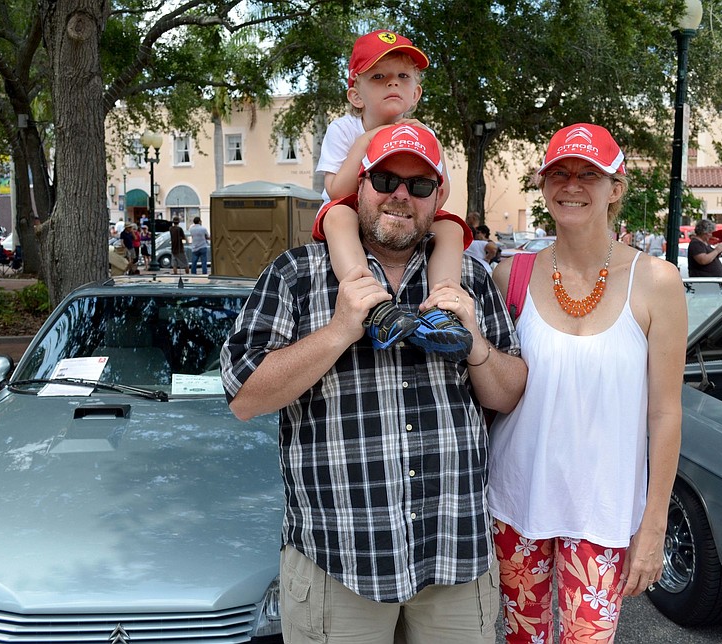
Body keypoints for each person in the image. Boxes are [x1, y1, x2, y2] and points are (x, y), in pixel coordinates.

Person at [221, 124, 527, 644]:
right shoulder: (296, 275)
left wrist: (474, 342)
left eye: (419, 185)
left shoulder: (469, 281)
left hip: (454, 556)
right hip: (338, 561)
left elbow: (509, 391)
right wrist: (340, 330)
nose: (401, 195)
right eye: (385, 179)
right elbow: (244, 397)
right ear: (359, 186)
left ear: (438, 198)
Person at [489, 123, 686, 643]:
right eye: (559, 172)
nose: (571, 185)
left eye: (587, 174)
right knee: (520, 639)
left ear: (615, 187)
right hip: (516, 503)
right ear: (543, 182)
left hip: (603, 511)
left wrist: (654, 524)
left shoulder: (657, 281)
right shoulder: (509, 275)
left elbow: (665, 414)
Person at [314, 29, 473, 361]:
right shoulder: (344, 129)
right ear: (356, 95)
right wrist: (371, 139)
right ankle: (371, 304)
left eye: (402, 76)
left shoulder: (425, 133)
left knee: (452, 228)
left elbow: (441, 192)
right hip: (354, 213)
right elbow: (336, 190)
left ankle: (440, 308)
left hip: (401, 215)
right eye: (379, 76)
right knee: (337, 214)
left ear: (415, 93)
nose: (392, 84)